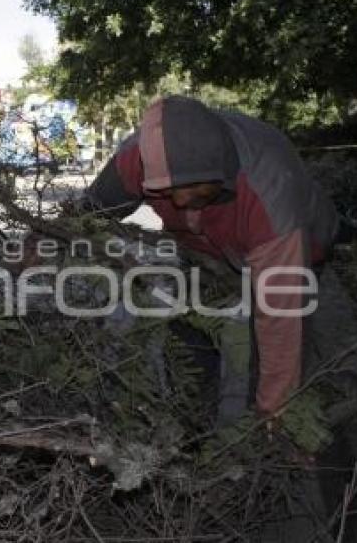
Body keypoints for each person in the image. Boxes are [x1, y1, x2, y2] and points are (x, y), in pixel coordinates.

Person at [75, 96, 339, 421]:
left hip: (293, 252)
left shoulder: (269, 191)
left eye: (195, 187)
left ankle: (266, 442)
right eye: (169, 190)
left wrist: (275, 411)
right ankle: (197, 427)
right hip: (203, 252)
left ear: (222, 172)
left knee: (269, 361)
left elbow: (282, 315)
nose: (182, 200)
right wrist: (38, 244)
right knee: (190, 340)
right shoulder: (138, 158)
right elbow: (86, 217)